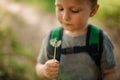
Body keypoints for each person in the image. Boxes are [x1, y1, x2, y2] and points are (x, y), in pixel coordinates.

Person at [35, 0, 117, 80]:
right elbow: (39, 67)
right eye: (60, 9)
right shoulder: (53, 37)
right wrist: (44, 70)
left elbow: (110, 72)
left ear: (93, 10)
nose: (65, 17)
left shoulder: (100, 39)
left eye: (74, 11)